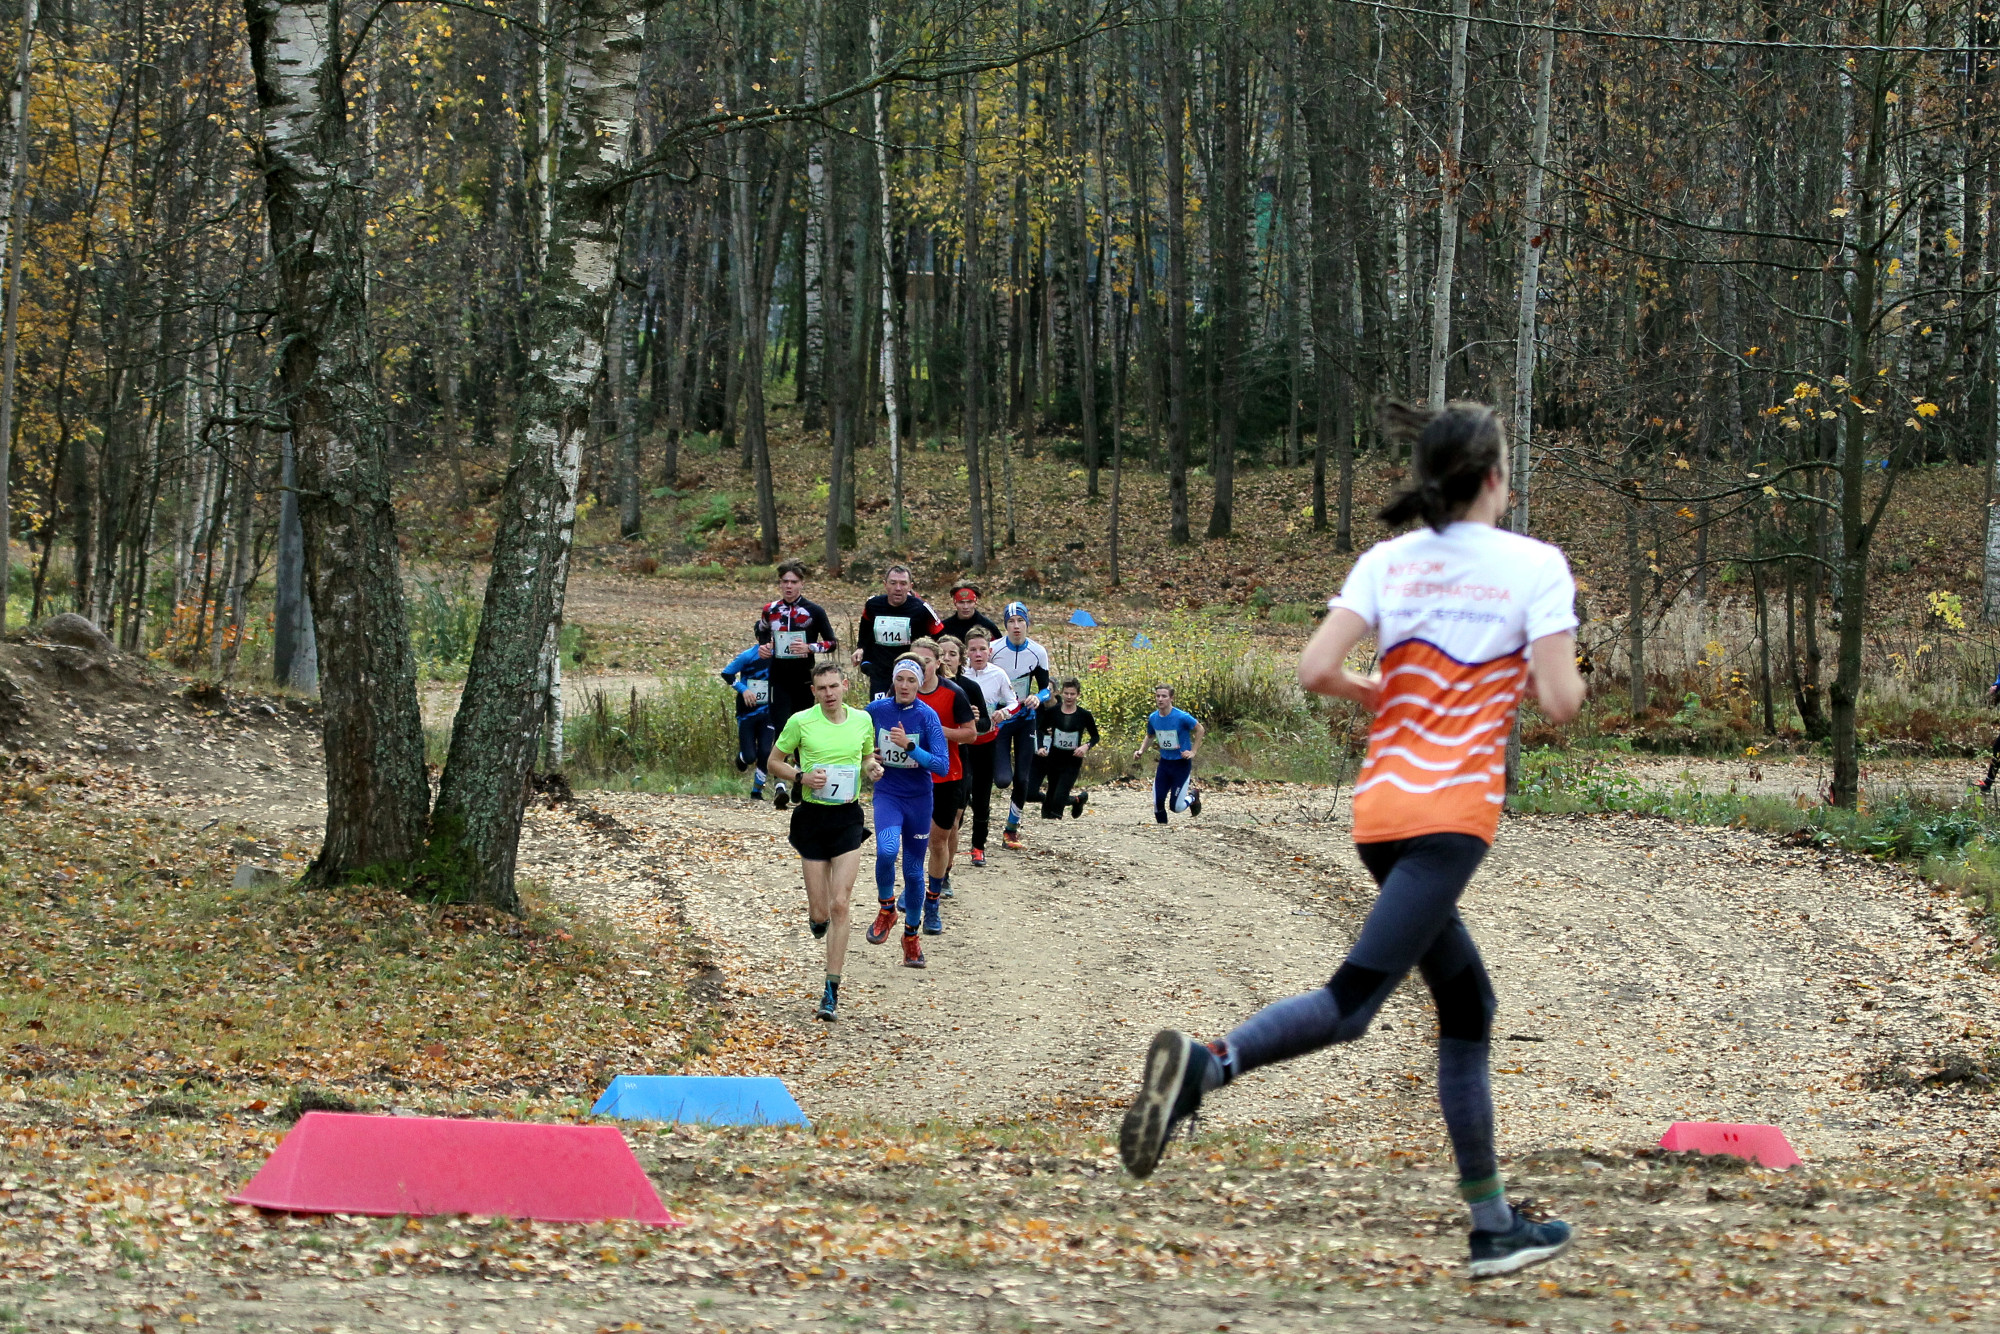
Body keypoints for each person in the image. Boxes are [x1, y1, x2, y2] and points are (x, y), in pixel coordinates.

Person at [1116, 400, 1586, 1282]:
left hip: (1380, 817)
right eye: (1510, 467)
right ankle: (1205, 1067)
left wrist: (1392, 697)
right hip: (1450, 823)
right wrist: (1517, 669)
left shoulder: (1389, 560)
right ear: (1492, 479)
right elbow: (1560, 703)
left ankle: (1492, 1228)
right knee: (1352, 1007)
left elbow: (1314, 671)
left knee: (1469, 1007)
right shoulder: (1534, 567)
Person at [767, 662, 883, 1020]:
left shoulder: (863, 720)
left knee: (841, 904)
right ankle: (816, 920)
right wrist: (801, 776)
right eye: (822, 689)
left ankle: (831, 990)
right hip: (812, 819)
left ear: (845, 686)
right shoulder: (801, 722)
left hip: (847, 817)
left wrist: (872, 768)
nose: (829, 694)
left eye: (834, 686)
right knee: (820, 912)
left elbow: (865, 756)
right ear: (814, 692)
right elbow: (774, 761)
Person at [863, 658, 948, 968]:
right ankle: (887, 909)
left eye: (911, 680)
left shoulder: (928, 717)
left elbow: (942, 765)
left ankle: (911, 937)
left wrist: (910, 748)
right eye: (900, 679)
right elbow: (854, 737)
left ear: (919, 684)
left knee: (913, 872)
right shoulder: (876, 710)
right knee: (886, 851)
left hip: (919, 798)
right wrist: (865, 756)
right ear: (894, 681)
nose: (905, 685)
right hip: (888, 793)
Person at [755, 560, 839, 811]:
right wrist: (764, 647)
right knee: (781, 728)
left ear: (802, 584)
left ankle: (800, 778)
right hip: (778, 677)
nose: (789, 586)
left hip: (804, 678)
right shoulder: (770, 609)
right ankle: (780, 782)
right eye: (785, 582)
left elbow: (832, 642)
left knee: (802, 730)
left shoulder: (814, 611)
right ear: (779, 584)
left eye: (793, 582)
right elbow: (760, 631)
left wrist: (810, 647)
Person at [908, 637, 978, 930]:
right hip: (911, 774)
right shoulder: (901, 689)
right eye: (916, 660)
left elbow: (971, 734)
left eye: (927, 661)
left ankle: (933, 899)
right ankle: (912, 889)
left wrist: (940, 731)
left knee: (937, 842)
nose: (921, 666)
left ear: (938, 663)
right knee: (912, 843)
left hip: (947, 776)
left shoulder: (954, 693)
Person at [991, 601, 1052, 850]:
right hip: (1002, 720)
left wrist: (1039, 697)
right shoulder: (994, 649)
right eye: (1011, 622)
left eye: (1021, 622)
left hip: (1026, 720)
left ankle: (1011, 830)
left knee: (1023, 779)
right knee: (1003, 779)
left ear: (1028, 624)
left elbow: (1047, 687)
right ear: (1005, 625)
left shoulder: (1038, 652)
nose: (1016, 627)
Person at [958, 628, 1019, 866]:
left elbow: (1015, 702)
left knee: (983, 798)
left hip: (987, 743)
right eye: (973, 649)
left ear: (990, 651)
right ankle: (950, 839)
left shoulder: (998, 674)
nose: (978, 654)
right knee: (960, 796)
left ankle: (978, 847)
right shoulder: (960, 676)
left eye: (982, 649)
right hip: (963, 744)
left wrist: (1003, 712)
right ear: (966, 653)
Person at [853, 564, 946, 700]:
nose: (898, 588)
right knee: (880, 712)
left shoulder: (921, 609)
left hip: (910, 673)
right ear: (885, 585)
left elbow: (941, 635)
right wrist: (861, 648)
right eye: (893, 583)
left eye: (903, 584)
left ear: (910, 586)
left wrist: (933, 660)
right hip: (880, 672)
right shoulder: (873, 605)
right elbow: (865, 629)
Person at [1133, 685, 1205, 824]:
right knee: (1157, 802)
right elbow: (1150, 735)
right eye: (1157, 696)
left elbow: (1200, 729)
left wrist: (1193, 751)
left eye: (1164, 696)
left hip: (1181, 764)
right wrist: (1141, 750)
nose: (1160, 699)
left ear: (1171, 698)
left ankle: (1193, 797)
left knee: (1176, 807)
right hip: (1165, 763)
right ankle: (1162, 833)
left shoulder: (1181, 717)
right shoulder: (1153, 717)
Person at [718, 642, 774, 799]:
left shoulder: (778, 656)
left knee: (765, 752)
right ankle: (742, 757)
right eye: (765, 638)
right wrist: (744, 690)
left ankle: (757, 791)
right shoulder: (748, 655)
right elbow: (727, 674)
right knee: (750, 757)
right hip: (747, 712)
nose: (769, 641)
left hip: (768, 713)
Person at [1036, 677, 1099, 819]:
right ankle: (1078, 800)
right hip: (1054, 759)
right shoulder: (1053, 712)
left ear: (1078, 695)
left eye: (1072, 694)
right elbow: (1040, 729)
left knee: (1059, 799)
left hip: (1072, 761)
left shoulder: (1084, 715)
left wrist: (1086, 746)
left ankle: (1056, 829)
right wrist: (1040, 747)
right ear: (1061, 693)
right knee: (1050, 797)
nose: (1069, 697)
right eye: (1066, 693)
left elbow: (1095, 736)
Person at [937, 579, 1003, 646]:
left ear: (975, 601)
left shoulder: (988, 626)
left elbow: (1000, 650)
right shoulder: (944, 628)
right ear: (955, 602)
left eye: (969, 602)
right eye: (961, 602)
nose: (965, 607)